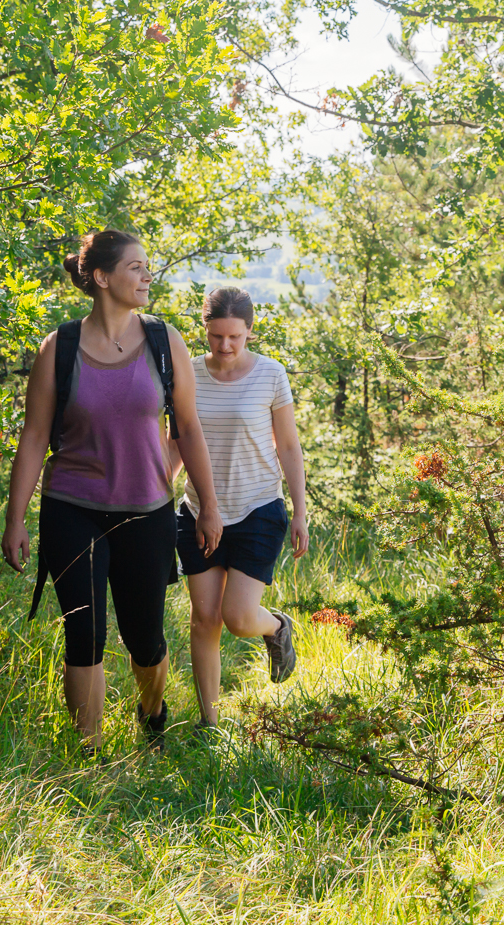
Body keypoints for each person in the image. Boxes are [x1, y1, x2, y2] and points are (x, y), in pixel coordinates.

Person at [1, 229, 222, 757]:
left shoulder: (165, 342)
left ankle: (152, 713)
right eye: (135, 268)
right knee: (84, 634)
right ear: (101, 277)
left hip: (147, 510)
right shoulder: (61, 348)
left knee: (144, 638)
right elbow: (34, 437)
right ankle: (89, 757)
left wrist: (208, 506)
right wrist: (15, 519)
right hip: (71, 508)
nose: (148, 276)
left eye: (149, 267)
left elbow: (188, 429)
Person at [177, 286, 310, 729]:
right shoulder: (188, 374)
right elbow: (177, 444)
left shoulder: (271, 374)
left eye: (235, 336)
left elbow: (288, 445)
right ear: (206, 331)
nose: (225, 346)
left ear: (250, 331)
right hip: (198, 511)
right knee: (204, 620)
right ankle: (209, 723)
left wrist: (301, 511)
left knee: (236, 617)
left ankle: (276, 628)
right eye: (216, 336)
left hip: (257, 508)